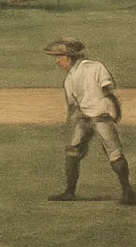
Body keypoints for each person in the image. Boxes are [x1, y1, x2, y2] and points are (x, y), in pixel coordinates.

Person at [44, 38, 136, 204]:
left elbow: (106, 91)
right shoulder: (73, 77)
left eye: (60, 56)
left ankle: (128, 193)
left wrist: (114, 109)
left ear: (70, 56)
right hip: (87, 118)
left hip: (101, 118)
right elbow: (101, 92)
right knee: (75, 151)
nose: (57, 61)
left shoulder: (91, 68)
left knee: (113, 153)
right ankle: (70, 192)